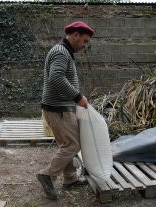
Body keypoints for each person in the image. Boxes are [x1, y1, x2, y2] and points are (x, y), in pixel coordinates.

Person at [37, 21, 94, 200]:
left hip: (60, 107)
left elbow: (59, 78)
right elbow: (56, 78)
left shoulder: (63, 52)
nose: (85, 46)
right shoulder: (61, 52)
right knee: (72, 145)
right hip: (58, 109)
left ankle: (70, 179)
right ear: (75, 35)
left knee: (67, 144)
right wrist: (78, 97)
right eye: (84, 41)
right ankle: (47, 175)